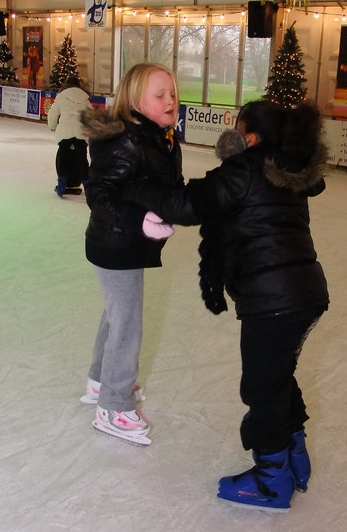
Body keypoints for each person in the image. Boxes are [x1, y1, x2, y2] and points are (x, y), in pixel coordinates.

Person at [122, 99, 329, 509]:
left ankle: (272, 480)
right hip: (305, 293)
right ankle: (294, 454)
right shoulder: (287, 172)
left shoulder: (244, 170)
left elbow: (186, 205)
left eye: (237, 129)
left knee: (261, 387)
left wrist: (132, 188)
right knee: (278, 376)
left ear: (248, 138)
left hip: (272, 301)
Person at [80, 63, 182, 446]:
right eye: (160, 95)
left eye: (172, 93)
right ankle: (114, 406)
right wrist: (140, 221)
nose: (170, 100)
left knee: (116, 315)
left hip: (127, 242)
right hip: (116, 244)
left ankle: (99, 381)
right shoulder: (125, 141)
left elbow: (168, 187)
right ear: (136, 100)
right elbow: (99, 194)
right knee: (127, 324)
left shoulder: (160, 138)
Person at [47, 76, 91, 196]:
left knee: (62, 159)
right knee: (82, 160)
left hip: (66, 131)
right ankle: (88, 187)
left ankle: (61, 185)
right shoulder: (85, 99)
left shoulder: (62, 96)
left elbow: (52, 113)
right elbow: (91, 116)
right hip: (81, 132)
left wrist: (53, 126)